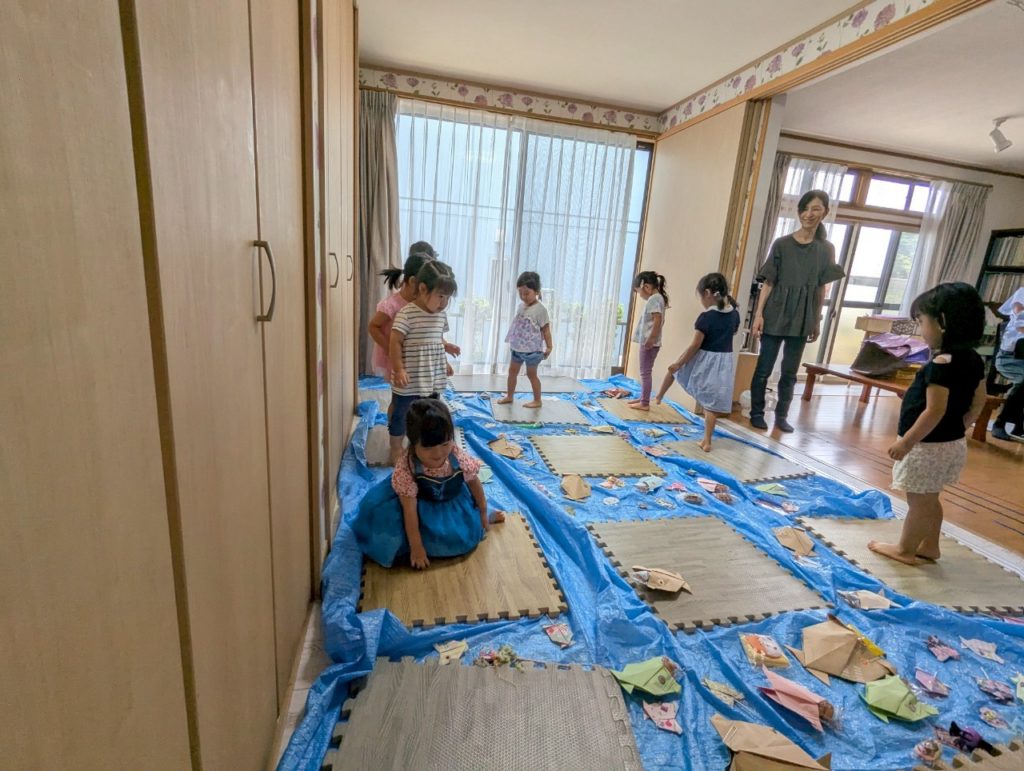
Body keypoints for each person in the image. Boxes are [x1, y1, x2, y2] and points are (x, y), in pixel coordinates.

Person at [867, 283, 987, 565]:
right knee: (930, 498)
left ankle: (905, 549)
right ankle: (930, 545)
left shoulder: (940, 365)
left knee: (918, 502)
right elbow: (979, 401)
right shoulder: (973, 359)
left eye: (921, 322)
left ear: (942, 323)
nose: (921, 329)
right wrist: (959, 428)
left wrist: (906, 442)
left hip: (925, 446)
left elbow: (934, 411)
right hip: (950, 443)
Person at [351, 398, 503, 569]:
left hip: (451, 501)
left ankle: (487, 513)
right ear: (413, 443)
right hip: (418, 507)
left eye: (445, 444)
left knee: (467, 526)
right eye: (428, 448)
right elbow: (409, 511)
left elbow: (474, 483)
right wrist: (416, 548)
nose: (438, 453)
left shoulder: (456, 455)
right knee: (385, 526)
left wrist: (483, 512)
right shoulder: (407, 467)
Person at [750, 190, 845, 433]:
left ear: (825, 212)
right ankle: (756, 413)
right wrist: (759, 315)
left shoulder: (826, 249)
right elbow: (768, 282)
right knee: (764, 368)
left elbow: (821, 287)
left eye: (816, 209)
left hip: (803, 315)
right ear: (799, 211)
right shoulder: (782, 244)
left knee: (790, 372)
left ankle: (781, 416)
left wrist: (816, 319)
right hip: (776, 311)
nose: (809, 214)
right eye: (805, 209)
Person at [654, 273, 740, 452]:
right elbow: (732, 333)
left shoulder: (707, 317)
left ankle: (658, 397)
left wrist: (680, 363)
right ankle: (707, 440)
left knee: (673, 369)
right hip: (724, 361)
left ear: (707, 293)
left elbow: (695, 345)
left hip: (705, 358)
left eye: (701, 297)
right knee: (711, 405)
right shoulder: (734, 314)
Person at [388, 261, 460, 463]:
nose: (444, 303)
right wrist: (399, 369)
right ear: (422, 288)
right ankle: (395, 447)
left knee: (431, 413)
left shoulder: (440, 315)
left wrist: (446, 352)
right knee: (402, 414)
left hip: (431, 377)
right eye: (440, 296)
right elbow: (395, 342)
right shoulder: (407, 314)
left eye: (448, 298)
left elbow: (437, 339)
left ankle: (421, 445)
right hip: (409, 380)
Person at [367, 249, 435, 381]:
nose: (426, 293)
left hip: (411, 354)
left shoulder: (419, 303)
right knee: (399, 386)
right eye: (424, 288)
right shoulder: (391, 305)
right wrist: (389, 349)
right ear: (413, 281)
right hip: (395, 355)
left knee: (413, 383)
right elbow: (373, 326)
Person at [498, 271, 552, 408]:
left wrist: (549, 347)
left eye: (526, 293)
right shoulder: (521, 306)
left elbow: (546, 329)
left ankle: (537, 400)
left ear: (537, 292)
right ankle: (510, 396)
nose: (523, 296)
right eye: (520, 293)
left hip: (532, 350)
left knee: (531, 374)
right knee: (512, 372)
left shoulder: (541, 310)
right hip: (517, 348)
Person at [630, 271, 669, 411]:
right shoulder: (659, 298)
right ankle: (643, 398)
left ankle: (644, 402)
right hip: (652, 342)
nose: (640, 296)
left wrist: (651, 339)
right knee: (646, 371)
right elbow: (661, 320)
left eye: (639, 292)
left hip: (649, 343)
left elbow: (658, 320)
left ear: (646, 287)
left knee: (645, 372)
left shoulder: (653, 299)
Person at [991, 285, 1024, 442]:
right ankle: (1000, 422)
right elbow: (1021, 323)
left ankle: (1019, 425)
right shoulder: (1022, 293)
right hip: (1010, 358)